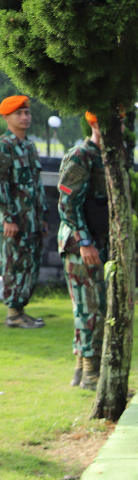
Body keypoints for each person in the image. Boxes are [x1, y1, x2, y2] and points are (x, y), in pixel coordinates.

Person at [56, 112, 108, 387]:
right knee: (90, 309)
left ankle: (81, 368)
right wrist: (84, 241)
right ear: (94, 123)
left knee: (95, 305)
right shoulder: (81, 155)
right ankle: (90, 373)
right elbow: (67, 203)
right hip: (80, 245)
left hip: (97, 242)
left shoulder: (108, 155)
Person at [0, 95, 48, 329]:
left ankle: (20, 311)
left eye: (27, 113)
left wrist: (43, 216)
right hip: (15, 221)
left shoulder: (29, 146)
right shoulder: (4, 146)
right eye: (19, 113)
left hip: (32, 221)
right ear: (6, 117)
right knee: (14, 264)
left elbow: (37, 185)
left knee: (30, 264)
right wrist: (8, 217)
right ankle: (13, 314)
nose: (25, 117)